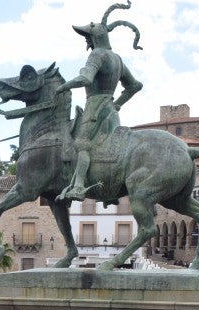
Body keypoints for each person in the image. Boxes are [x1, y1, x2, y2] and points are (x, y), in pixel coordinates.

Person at [53, 0, 143, 202]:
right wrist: (117, 103)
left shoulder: (97, 54)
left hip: (94, 107)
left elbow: (85, 78)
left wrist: (62, 87)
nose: (86, 41)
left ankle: (77, 186)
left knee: (82, 144)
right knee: (106, 147)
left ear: (93, 37)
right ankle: (110, 188)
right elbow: (135, 86)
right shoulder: (117, 58)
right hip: (111, 110)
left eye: (87, 37)